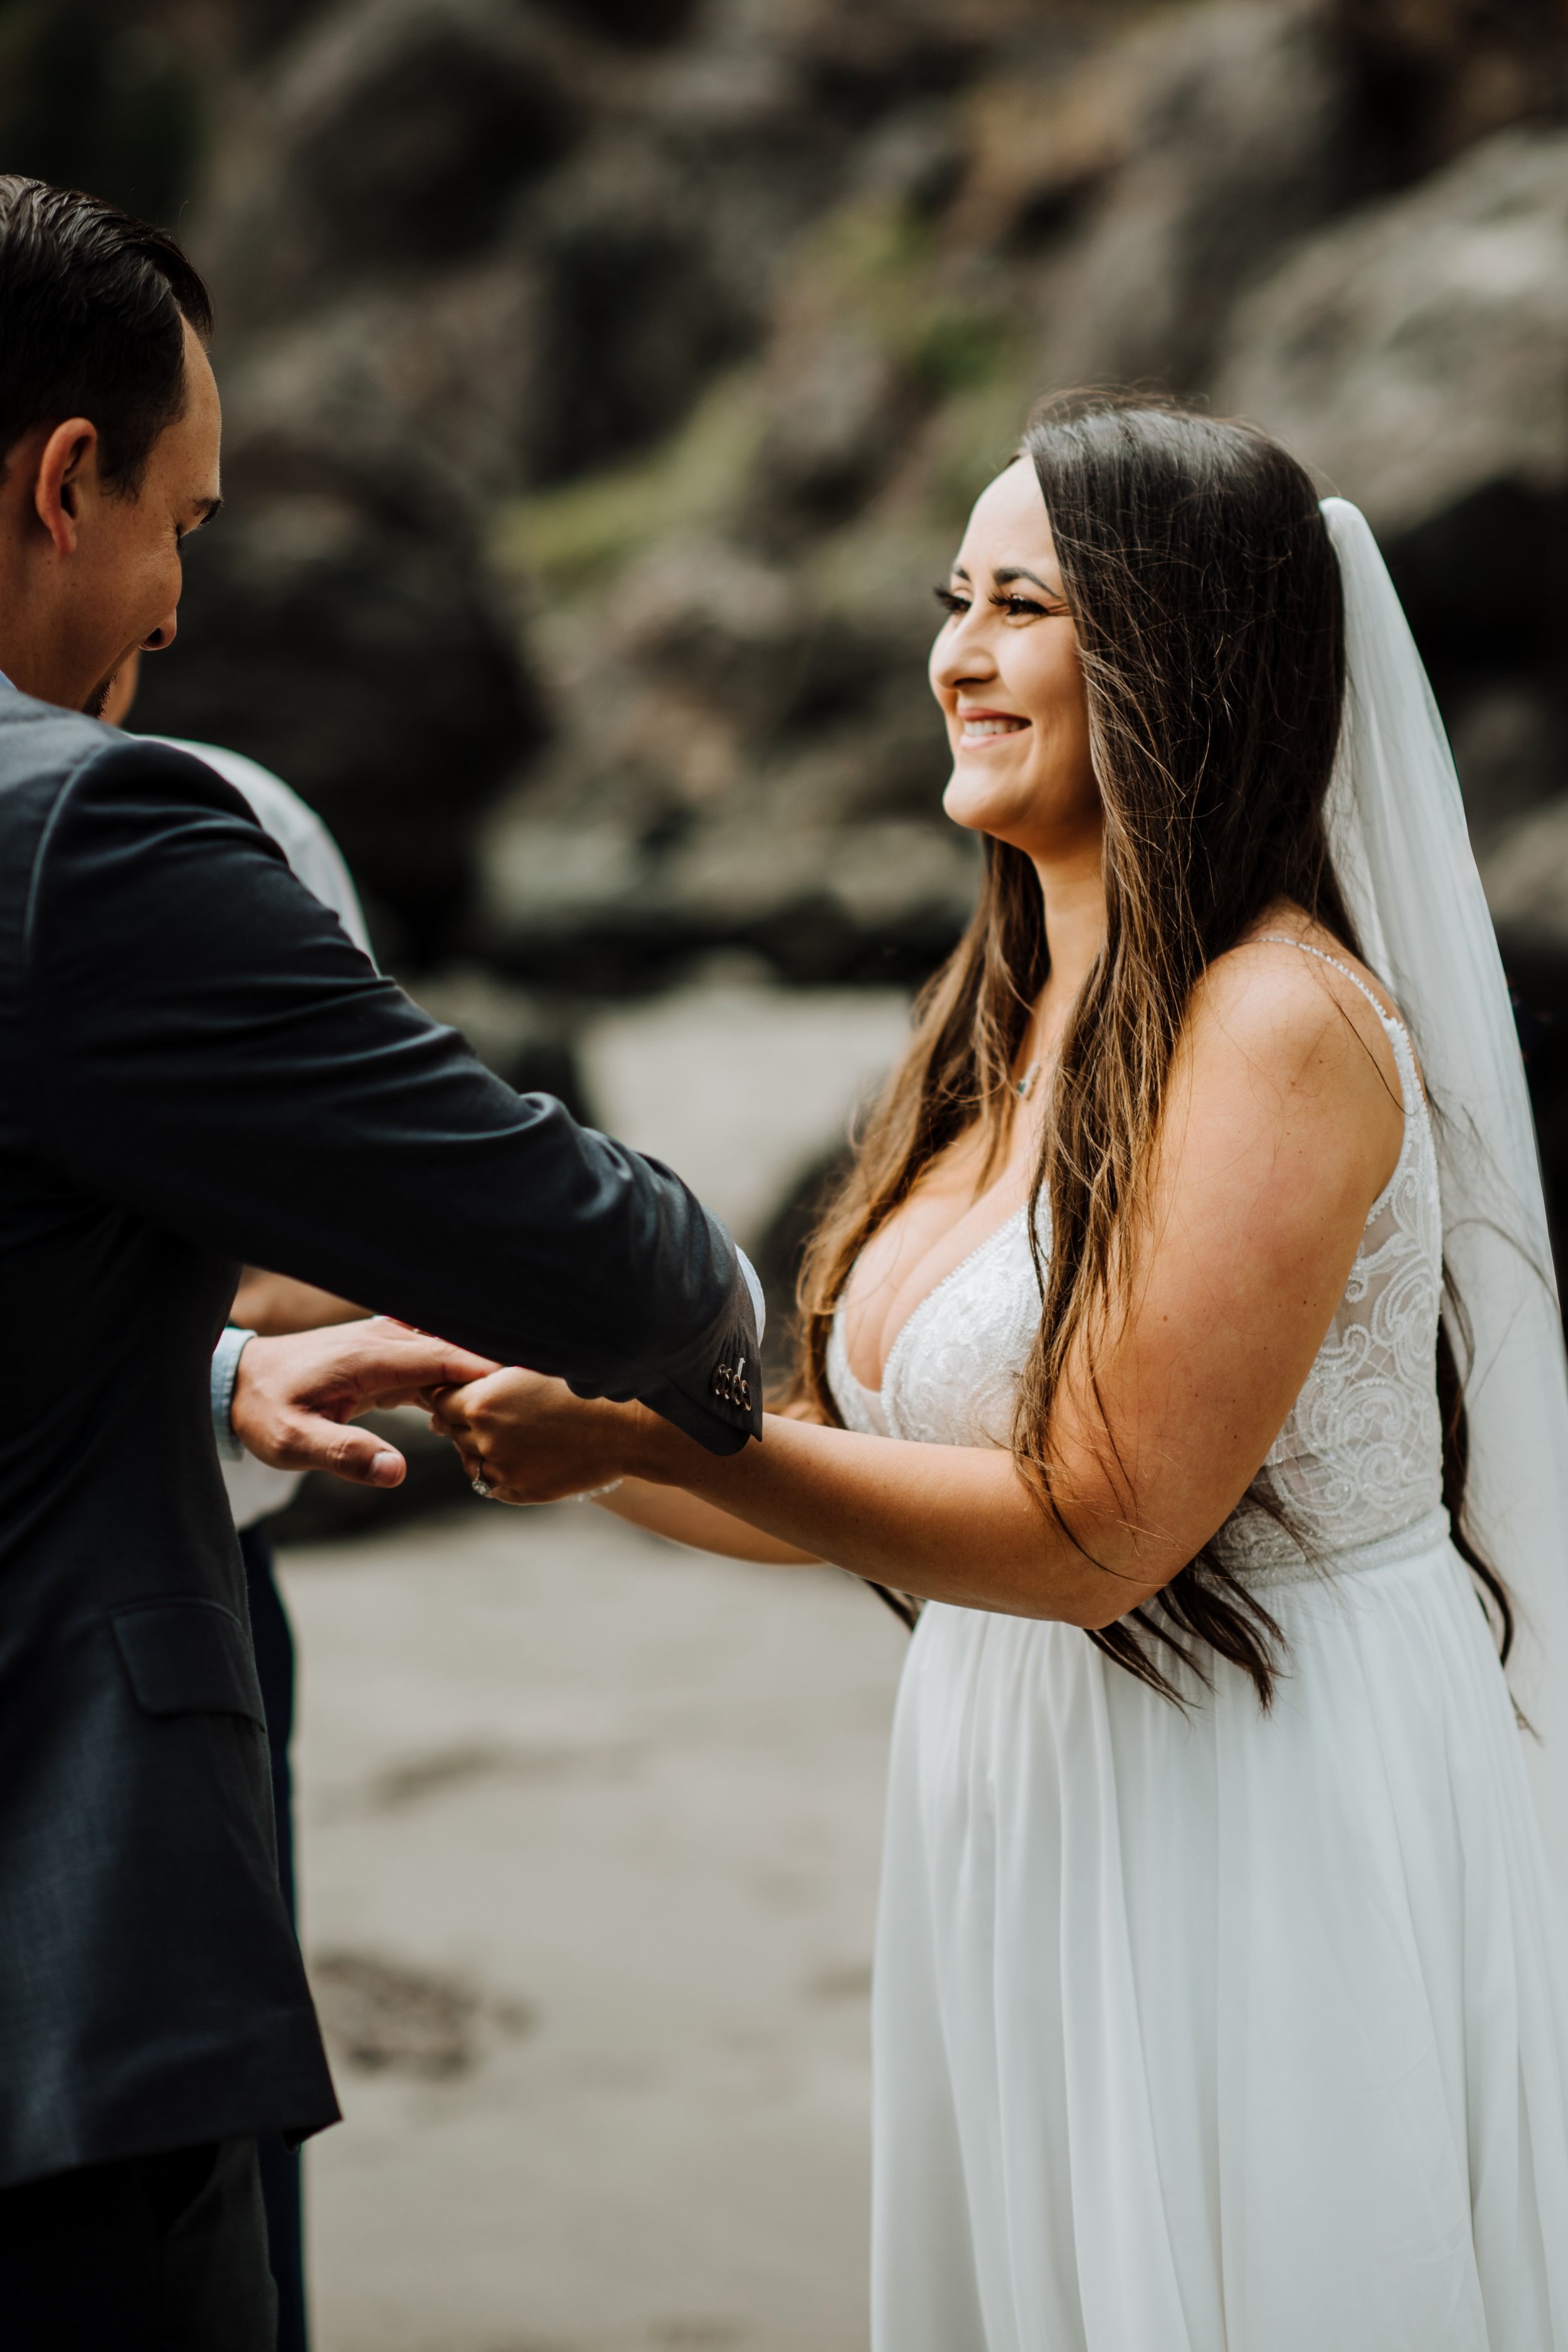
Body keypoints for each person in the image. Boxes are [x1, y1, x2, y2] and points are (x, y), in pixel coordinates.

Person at [432, 399, 1568, 2349]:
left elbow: (1094, 1531)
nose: (955, 651)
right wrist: (497, 1380)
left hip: (1258, 1798)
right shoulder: (1001, 1017)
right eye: (955, 596)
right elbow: (858, 1489)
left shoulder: (1277, 1021)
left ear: (1171, 650)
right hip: (1029, 1789)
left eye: (1021, 603)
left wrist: (646, 1425)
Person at [0, 174, 761, 2350]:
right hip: (43, 2011)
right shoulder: (85, 830)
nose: (174, 604)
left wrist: (171, 1373)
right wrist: (725, 1316)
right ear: (67, 486)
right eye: (188, 523)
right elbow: (583, 1254)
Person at [102, 647, 374, 2352]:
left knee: (203, 2176)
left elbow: (348, 1224)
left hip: (193, 1612)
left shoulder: (237, 825)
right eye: (173, 517)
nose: (177, 595)